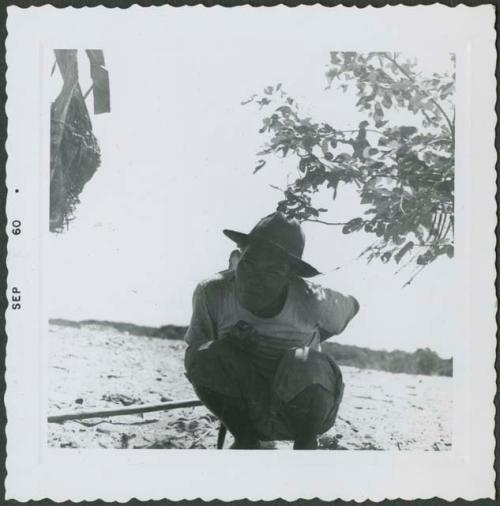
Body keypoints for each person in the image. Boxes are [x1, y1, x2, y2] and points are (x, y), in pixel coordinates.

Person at [184, 212, 360, 449]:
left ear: (290, 275)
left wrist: (312, 340)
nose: (255, 279)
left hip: (299, 410)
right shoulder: (212, 292)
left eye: (272, 271)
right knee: (202, 354)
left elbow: (353, 306)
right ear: (238, 258)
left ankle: (306, 445)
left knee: (307, 361)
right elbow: (199, 352)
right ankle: (246, 441)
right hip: (244, 408)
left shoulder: (313, 299)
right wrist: (230, 347)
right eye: (250, 264)